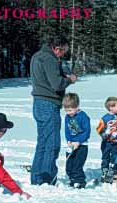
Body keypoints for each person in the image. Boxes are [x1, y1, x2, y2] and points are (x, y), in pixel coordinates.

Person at [30, 36, 78, 185]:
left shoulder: (37, 56)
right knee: (52, 143)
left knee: (43, 142)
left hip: (38, 102)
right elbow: (56, 84)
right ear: (56, 48)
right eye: (63, 51)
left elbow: (47, 78)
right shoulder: (50, 59)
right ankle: (47, 178)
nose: (63, 55)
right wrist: (69, 80)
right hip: (48, 103)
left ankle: (37, 177)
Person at [63, 93, 91, 189]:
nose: (68, 112)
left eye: (70, 110)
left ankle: (80, 182)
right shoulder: (67, 117)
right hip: (71, 145)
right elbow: (67, 130)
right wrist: (69, 141)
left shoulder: (83, 116)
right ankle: (72, 180)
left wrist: (78, 141)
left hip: (82, 145)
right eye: (66, 110)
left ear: (77, 107)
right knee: (69, 165)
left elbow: (87, 132)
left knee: (77, 165)